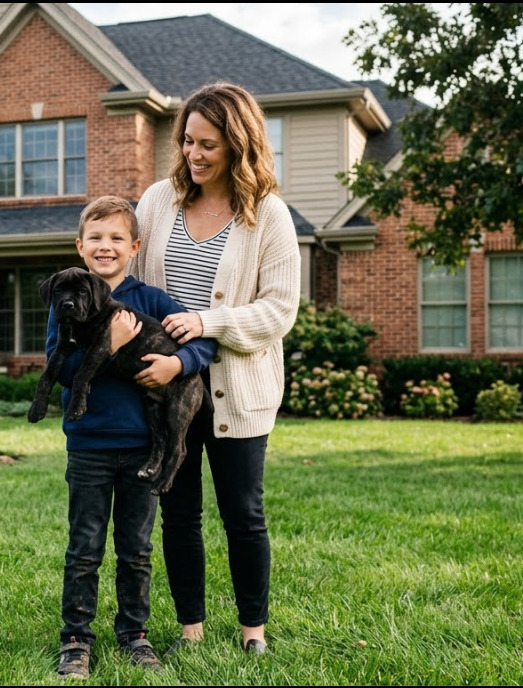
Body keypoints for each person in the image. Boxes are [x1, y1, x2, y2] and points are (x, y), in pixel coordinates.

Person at [129, 81, 302, 656]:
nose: (193, 155)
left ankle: (254, 632)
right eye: (186, 142)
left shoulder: (268, 216)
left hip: (239, 386)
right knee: (178, 511)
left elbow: (279, 309)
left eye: (208, 145)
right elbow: (129, 285)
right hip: (169, 385)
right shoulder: (157, 203)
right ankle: (190, 630)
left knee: (242, 513)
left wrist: (208, 323)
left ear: (239, 145)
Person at [49, 195, 218, 679]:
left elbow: (202, 341)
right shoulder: (66, 298)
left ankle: (133, 634)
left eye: (116, 238)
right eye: (96, 239)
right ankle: (76, 638)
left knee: (136, 549)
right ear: (80, 247)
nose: (106, 247)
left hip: (143, 447)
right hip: (89, 446)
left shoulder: (150, 300)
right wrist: (114, 344)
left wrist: (176, 364)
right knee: (84, 546)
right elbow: (60, 371)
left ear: (135, 246)